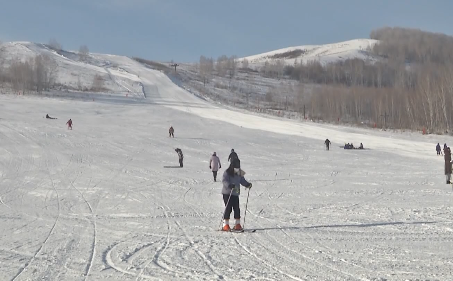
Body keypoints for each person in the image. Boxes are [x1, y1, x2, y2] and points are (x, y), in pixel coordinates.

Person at [221, 158, 252, 231]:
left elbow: (242, 180)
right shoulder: (227, 172)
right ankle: (225, 224)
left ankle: (237, 224)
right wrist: (229, 185)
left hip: (235, 193)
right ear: (232, 166)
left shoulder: (240, 172)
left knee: (237, 208)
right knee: (228, 208)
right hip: (227, 193)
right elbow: (224, 180)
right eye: (236, 167)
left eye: (238, 167)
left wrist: (247, 184)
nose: (237, 168)